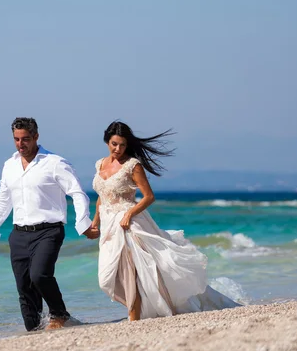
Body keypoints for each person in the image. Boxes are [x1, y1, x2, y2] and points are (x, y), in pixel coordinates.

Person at [90, 120, 240, 321]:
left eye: (122, 145)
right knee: (106, 278)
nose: (118, 149)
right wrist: (95, 220)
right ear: (107, 141)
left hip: (128, 223)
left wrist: (129, 214)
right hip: (109, 224)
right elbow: (102, 195)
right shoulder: (100, 164)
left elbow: (149, 196)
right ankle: (144, 306)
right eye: (114, 144)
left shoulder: (132, 165)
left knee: (130, 272)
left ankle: (133, 317)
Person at [0, 117, 99, 331]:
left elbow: (77, 193)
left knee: (39, 275)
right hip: (18, 234)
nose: (20, 144)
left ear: (36, 136)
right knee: (24, 288)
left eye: (25, 139)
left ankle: (60, 315)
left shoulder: (54, 163)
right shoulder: (10, 166)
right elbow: (3, 199)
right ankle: (33, 331)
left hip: (49, 231)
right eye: (16, 139)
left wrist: (83, 223)